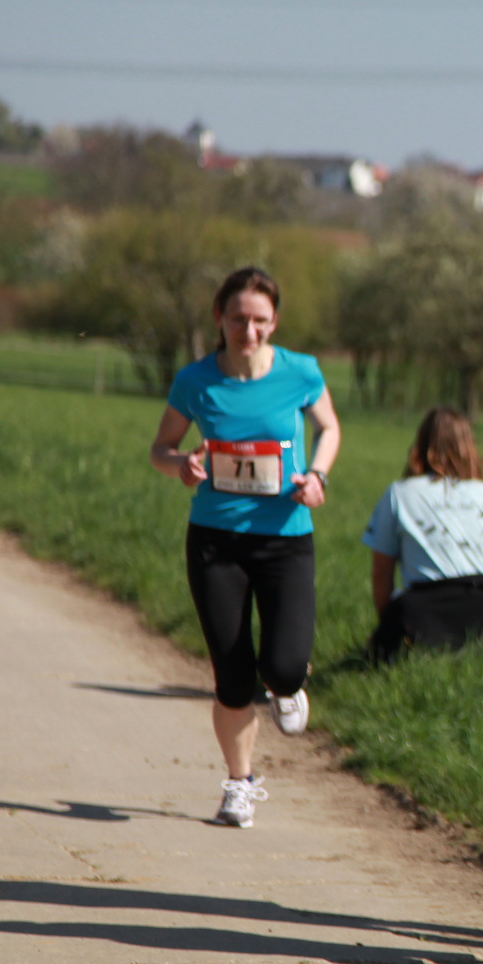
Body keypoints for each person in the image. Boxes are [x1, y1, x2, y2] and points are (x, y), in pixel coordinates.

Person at [149, 266, 340, 829]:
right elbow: (161, 448)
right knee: (232, 677)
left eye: (260, 320)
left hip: (286, 540)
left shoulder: (301, 372)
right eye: (238, 319)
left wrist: (318, 477)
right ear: (220, 317)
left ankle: (287, 683)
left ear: (274, 321)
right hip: (216, 542)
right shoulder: (196, 380)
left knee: (282, 666)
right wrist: (180, 465)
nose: (248, 331)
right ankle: (239, 784)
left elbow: (329, 428)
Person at [363, 407, 483, 663]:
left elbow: (381, 572)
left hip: (422, 612)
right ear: (470, 446)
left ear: (420, 444)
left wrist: (388, 626)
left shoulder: (399, 493)